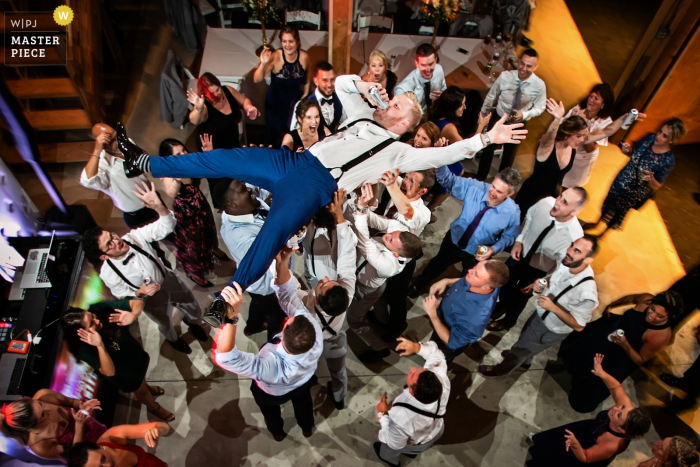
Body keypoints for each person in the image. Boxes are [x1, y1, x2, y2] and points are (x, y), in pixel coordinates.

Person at [118, 74, 527, 305]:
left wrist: (485, 140)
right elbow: (343, 87)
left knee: (273, 233)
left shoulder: (399, 152)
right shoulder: (366, 115)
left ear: (405, 121)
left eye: (398, 105)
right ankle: (145, 162)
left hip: (316, 185)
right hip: (296, 161)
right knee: (222, 159)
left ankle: (232, 291)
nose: (391, 104)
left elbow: (442, 156)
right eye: (393, 100)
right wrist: (366, 87)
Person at [80, 182, 206, 355]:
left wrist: (160, 207)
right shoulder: (108, 273)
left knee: (191, 306)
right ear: (103, 256)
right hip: (149, 300)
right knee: (164, 322)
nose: (117, 241)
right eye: (109, 244)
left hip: (167, 279)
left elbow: (165, 227)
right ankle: (174, 340)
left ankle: (193, 324)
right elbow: (122, 295)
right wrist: (140, 292)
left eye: (112, 236)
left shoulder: (134, 237)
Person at [214, 246, 323, 442]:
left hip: (272, 393)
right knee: (303, 403)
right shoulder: (314, 332)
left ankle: (277, 432)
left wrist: (230, 318)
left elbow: (225, 358)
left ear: (282, 334)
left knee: (270, 411)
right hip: (301, 382)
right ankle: (307, 428)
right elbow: (288, 295)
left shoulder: (270, 365)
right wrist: (282, 264)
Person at [480, 235, 599, 376]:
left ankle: (500, 370)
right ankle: (525, 360)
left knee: (521, 349)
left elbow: (579, 326)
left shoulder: (587, 292)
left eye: (577, 251)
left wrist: (552, 308)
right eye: (572, 246)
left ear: (588, 259)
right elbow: (554, 277)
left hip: (550, 328)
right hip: (541, 313)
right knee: (525, 339)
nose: (570, 251)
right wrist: (541, 281)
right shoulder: (568, 263)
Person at [559, 291, 683, 413]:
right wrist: (612, 305)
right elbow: (630, 298)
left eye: (660, 316)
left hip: (621, 356)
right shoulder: (646, 299)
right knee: (580, 352)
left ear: (669, 317)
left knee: (590, 389)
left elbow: (639, 359)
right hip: (611, 331)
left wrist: (624, 344)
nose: (652, 315)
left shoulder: (660, 336)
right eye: (652, 309)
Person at [408, 167, 521, 299]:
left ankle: (456, 298)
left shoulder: (512, 213)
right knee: (437, 263)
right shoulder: (475, 187)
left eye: (499, 192)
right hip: (454, 239)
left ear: (509, 194)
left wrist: (493, 249)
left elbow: (509, 235)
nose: (492, 193)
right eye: (493, 186)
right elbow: (448, 181)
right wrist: (442, 160)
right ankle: (420, 283)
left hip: (478, 253)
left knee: (469, 279)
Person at [487, 188, 587, 332]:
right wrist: (519, 241)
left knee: (521, 296)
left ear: (574, 212)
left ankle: (509, 321)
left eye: (564, 202)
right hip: (520, 254)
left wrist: (544, 281)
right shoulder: (545, 203)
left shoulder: (575, 238)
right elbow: (529, 218)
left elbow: (564, 268)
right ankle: (504, 304)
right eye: (560, 196)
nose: (557, 203)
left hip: (539, 270)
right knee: (504, 283)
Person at [526, 354, 652, 466]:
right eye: (622, 407)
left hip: (582, 449)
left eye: (619, 414)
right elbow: (616, 387)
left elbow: (585, 457)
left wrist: (575, 444)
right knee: (557, 439)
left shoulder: (611, 445)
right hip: (586, 429)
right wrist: (602, 373)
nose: (616, 408)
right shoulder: (625, 409)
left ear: (621, 430)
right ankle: (540, 444)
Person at [60, 300, 175, 422]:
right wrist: (100, 346)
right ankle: (156, 408)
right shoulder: (82, 349)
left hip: (135, 356)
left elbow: (136, 302)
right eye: (91, 324)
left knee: (142, 381)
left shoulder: (98, 310)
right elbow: (109, 372)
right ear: (81, 333)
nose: (97, 321)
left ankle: (147, 386)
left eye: (91, 316)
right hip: (124, 373)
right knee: (141, 391)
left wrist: (133, 314)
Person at [347, 183, 423, 363]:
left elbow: (364, 242)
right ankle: (382, 322)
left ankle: (379, 347)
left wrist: (360, 212)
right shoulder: (399, 232)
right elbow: (375, 221)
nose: (386, 235)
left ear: (396, 253)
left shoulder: (390, 265)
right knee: (380, 302)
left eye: (389, 239)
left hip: (366, 288)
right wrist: (363, 208)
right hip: (371, 283)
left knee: (354, 321)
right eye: (391, 234)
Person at [293, 189, 354, 410]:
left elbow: (286, 286)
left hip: (310, 348)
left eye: (322, 284)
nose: (326, 278)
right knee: (339, 371)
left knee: (307, 370)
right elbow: (348, 257)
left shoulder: (303, 304)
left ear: (316, 299)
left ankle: (309, 380)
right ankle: (339, 398)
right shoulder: (347, 292)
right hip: (336, 344)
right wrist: (339, 214)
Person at [582, 118, 686, 234]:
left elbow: (657, 185)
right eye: (660, 131)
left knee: (618, 212)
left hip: (633, 191)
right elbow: (634, 154)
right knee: (609, 202)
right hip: (621, 178)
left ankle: (602, 234)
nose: (659, 136)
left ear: (671, 140)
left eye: (664, 136)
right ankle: (597, 224)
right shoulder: (649, 138)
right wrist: (627, 151)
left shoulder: (668, 161)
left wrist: (650, 178)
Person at [213, 178, 286, 341]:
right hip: (268, 285)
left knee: (258, 304)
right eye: (243, 189)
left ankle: (252, 326)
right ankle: (273, 346)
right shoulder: (240, 237)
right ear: (232, 203)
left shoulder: (242, 207)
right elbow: (273, 257)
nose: (249, 190)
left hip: (255, 286)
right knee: (279, 318)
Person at [369, 169, 434, 343]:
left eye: (412, 181)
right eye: (406, 177)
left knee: (396, 297)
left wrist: (392, 185)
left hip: (402, 258)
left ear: (422, 191)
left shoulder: (423, 213)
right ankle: (379, 315)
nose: (405, 182)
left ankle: (396, 329)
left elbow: (407, 211)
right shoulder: (400, 187)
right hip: (384, 246)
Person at [158, 137, 229, 288]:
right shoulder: (168, 173)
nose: (184, 154)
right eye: (178, 154)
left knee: (209, 231)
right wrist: (176, 179)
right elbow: (170, 192)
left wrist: (209, 154)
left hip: (200, 204)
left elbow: (210, 172)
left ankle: (213, 248)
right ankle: (196, 274)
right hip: (187, 214)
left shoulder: (190, 163)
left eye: (183, 150)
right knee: (194, 245)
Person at [373, 337, 450, 467]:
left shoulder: (402, 417)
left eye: (413, 375)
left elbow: (393, 442)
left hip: (414, 440)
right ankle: (412, 452)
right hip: (436, 430)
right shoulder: (439, 377)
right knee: (415, 446)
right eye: (419, 371)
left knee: (389, 449)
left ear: (413, 393)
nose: (413, 369)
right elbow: (438, 356)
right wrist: (416, 348)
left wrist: (383, 414)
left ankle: (391, 461)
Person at [476, 48, 547, 180]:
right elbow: (491, 96)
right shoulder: (505, 77)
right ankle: (480, 178)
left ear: (535, 67)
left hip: (518, 123)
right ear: (519, 61)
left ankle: (500, 182)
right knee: (488, 148)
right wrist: (483, 114)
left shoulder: (539, 85)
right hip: (499, 118)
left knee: (509, 155)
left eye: (529, 66)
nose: (524, 68)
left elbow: (540, 107)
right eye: (522, 63)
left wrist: (524, 114)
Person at [421, 260, 510, 363]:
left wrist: (433, 314)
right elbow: (466, 281)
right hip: (444, 319)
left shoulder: (474, 318)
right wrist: (446, 281)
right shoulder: (488, 283)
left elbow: (451, 342)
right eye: (475, 267)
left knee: (436, 360)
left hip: (448, 335)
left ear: (486, 287)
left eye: (476, 274)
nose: (469, 270)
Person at [514, 100, 588, 219]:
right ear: (567, 134)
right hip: (530, 195)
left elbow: (602, 134)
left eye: (583, 136)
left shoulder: (572, 148)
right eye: (579, 136)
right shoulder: (547, 145)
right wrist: (557, 119)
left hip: (550, 198)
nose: (582, 140)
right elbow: (548, 137)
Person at [187, 72, 258, 193]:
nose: (216, 95)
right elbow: (194, 119)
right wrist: (198, 107)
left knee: (237, 173)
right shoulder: (205, 106)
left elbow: (243, 100)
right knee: (221, 181)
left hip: (231, 140)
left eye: (217, 90)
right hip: (213, 148)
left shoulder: (228, 91)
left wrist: (248, 107)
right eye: (211, 93)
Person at [79, 123, 155, 229]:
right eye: (111, 141)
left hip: (153, 197)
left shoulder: (126, 142)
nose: (118, 142)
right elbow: (86, 181)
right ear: (102, 144)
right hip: (137, 212)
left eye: (116, 136)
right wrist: (97, 150)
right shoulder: (102, 165)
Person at [0, 390, 104, 460]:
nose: (47, 408)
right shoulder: (40, 446)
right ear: (32, 427)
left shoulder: (44, 395)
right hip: (93, 456)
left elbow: (72, 402)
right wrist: (79, 426)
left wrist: (83, 405)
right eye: (42, 414)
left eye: (40, 404)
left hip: (100, 431)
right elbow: (77, 458)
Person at [254, 26, 309, 147]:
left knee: (291, 138)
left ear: (297, 42)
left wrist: (305, 94)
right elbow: (257, 79)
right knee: (275, 140)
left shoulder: (304, 56)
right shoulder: (276, 56)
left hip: (294, 106)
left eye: (291, 41)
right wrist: (263, 64)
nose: (287, 45)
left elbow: (306, 79)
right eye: (284, 41)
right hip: (275, 106)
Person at [561, 84, 615, 188]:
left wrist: (582, 125)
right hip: (567, 151)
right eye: (591, 96)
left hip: (582, 158)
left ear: (603, 104)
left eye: (596, 98)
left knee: (569, 187)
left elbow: (590, 148)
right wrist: (570, 120)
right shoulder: (579, 109)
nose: (591, 100)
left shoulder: (606, 122)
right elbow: (562, 129)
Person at [63, 422, 170, 467]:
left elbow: (164, 426)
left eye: (103, 459)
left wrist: (157, 431)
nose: (108, 466)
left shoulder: (112, 437)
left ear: (99, 446)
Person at [405, 122, 450, 223]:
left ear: (432, 142)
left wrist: (440, 152)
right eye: (418, 135)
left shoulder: (433, 158)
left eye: (424, 139)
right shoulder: (408, 145)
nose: (418, 140)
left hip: (416, 192)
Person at [292, 61, 346, 134]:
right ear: (316, 81)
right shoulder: (302, 104)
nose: (329, 84)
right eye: (325, 80)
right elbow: (295, 133)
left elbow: (345, 125)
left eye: (332, 80)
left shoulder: (341, 100)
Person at [394, 43, 447, 112]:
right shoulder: (412, 79)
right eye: (423, 65)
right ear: (417, 64)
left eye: (430, 64)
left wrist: (442, 95)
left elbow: (444, 90)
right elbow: (399, 91)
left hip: (436, 112)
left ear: (435, 61)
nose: (428, 69)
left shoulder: (438, 70)